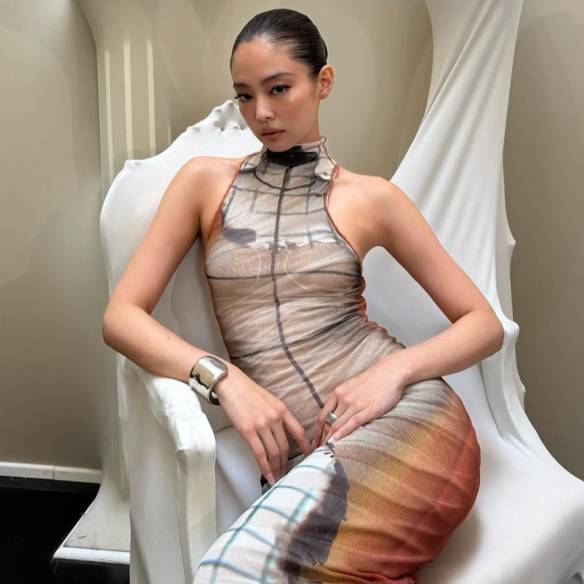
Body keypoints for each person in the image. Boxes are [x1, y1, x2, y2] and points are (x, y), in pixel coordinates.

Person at [102, 7, 504, 583]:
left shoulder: (371, 198)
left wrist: (392, 373)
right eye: (245, 96)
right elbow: (121, 317)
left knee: (230, 571)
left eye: (279, 89)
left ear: (324, 82)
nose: (261, 113)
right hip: (317, 456)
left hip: (413, 422)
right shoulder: (203, 182)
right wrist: (225, 380)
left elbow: (482, 323)